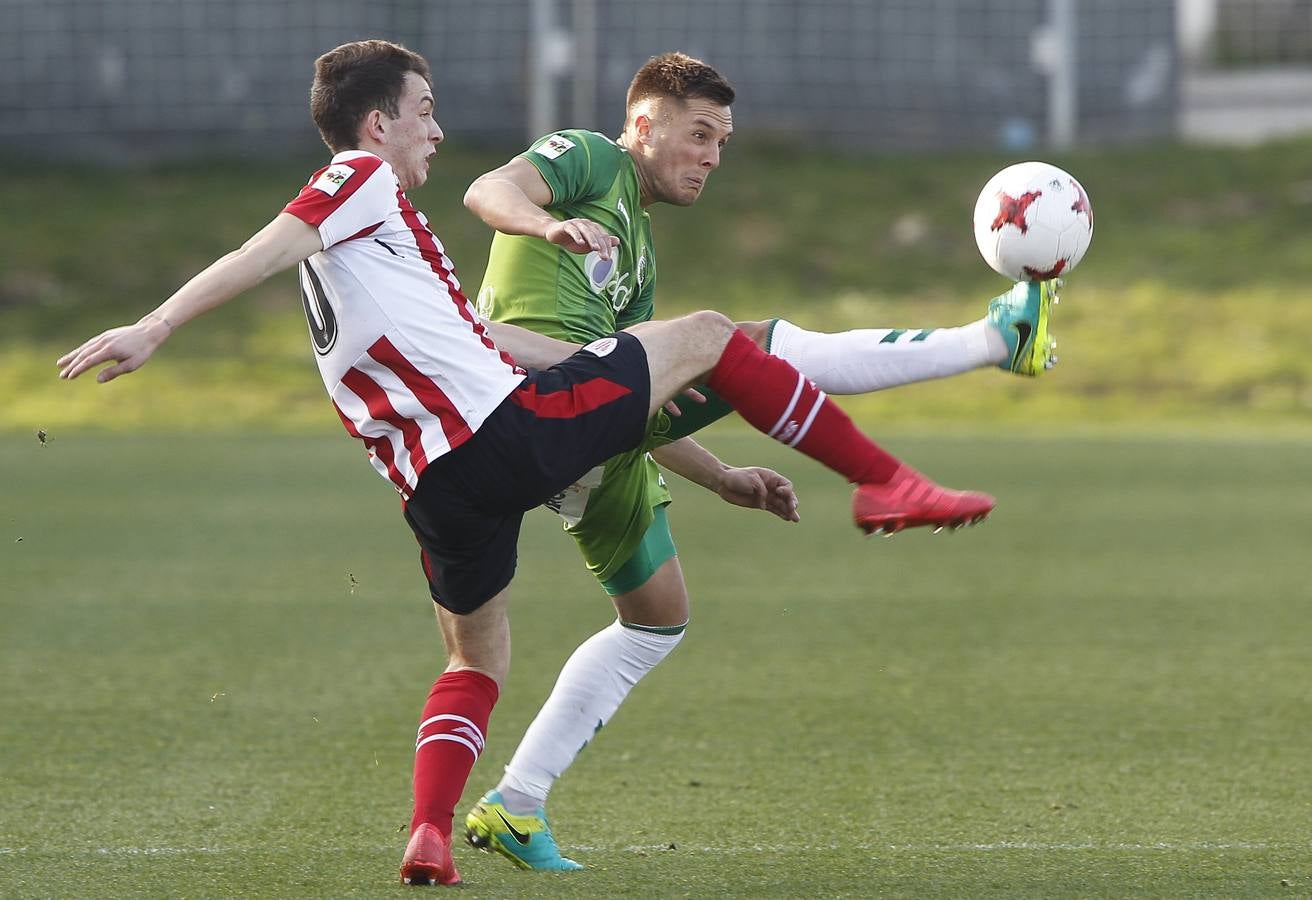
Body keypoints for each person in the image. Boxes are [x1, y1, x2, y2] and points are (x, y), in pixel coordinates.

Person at [55, 40, 996, 887]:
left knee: (476, 656)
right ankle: (883, 479)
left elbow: (498, 342)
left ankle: (429, 834)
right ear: (379, 124)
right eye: (424, 112)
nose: (436, 128)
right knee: (714, 333)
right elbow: (265, 244)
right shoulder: (357, 180)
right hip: (503, 437)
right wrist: (156, 324)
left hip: (436, 491)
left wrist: (716, 468)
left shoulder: (372, 254)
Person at [458, 51, 1060, 871]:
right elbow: (486, 190)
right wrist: (543, 222)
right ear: (643, 126)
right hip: (542, 404)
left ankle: (516, 806)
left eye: (722, 142)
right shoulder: (590, 158)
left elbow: (646, 398)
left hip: (584, 432)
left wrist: (727, 478)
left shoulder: (638, 254)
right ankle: (993, 340)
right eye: (698, 134)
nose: (710, 156)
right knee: (750, 346)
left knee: (656, 618)